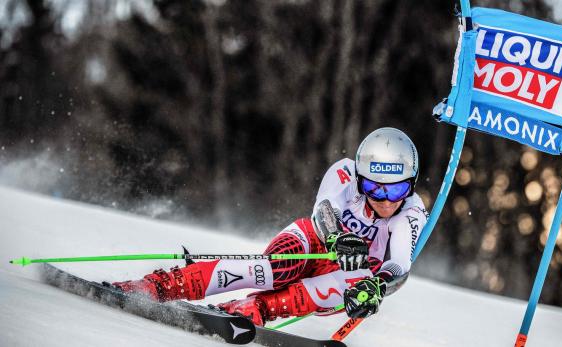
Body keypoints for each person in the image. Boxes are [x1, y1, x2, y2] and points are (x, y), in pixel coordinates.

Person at [112, 127, 428, 326]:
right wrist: (339, 238)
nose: (386, 200)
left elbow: (399, 263)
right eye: (375, 188)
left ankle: (255, 308)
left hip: (342, 279)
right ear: (361, 179)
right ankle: (161, 285)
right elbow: (322, 212)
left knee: (360, 275)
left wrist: (377, 287)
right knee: (272, 270)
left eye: (397, 189)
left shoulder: (411, 212)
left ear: (410, 185)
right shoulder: (345, 174)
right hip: (314, 244)